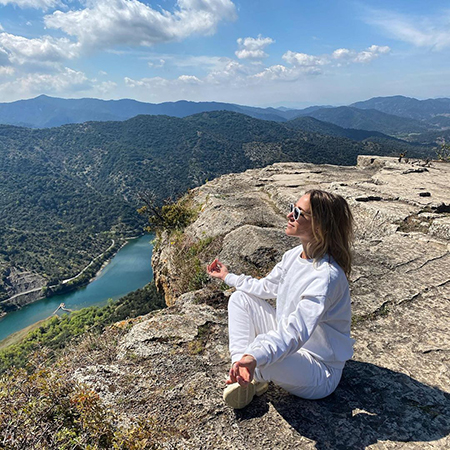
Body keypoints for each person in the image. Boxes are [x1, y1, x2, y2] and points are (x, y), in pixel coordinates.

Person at [207, 189, 355, 409]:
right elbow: (266, 287)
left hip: (318, 370)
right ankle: (243, 373)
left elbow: (296, 331)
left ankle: (253, 370)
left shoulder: (326, 277)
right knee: (240, 300)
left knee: (267, 356)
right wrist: (228, 276)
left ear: (319, 226)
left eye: (298, 212)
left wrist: (257, 354)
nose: (289, 215)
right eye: (291, 208)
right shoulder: (293, 255)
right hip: (292, 346)